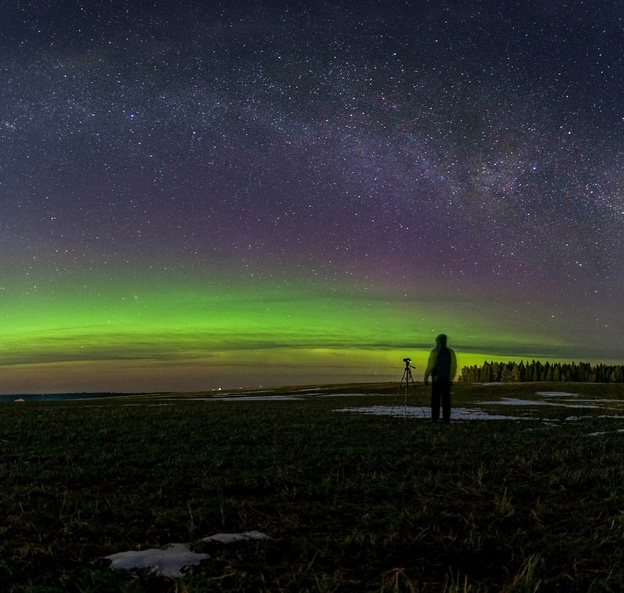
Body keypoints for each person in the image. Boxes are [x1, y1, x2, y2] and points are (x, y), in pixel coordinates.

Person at [423, 334, 457, 423]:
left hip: (436, 379)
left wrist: (426, 377)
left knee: (435, 400)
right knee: (446, 400)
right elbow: (454, 366)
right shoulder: (450, 352)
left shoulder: (435, 351)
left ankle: (435, 418)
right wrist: (451, 378)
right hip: (446, 380)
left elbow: (431, 365)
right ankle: (446, 419)